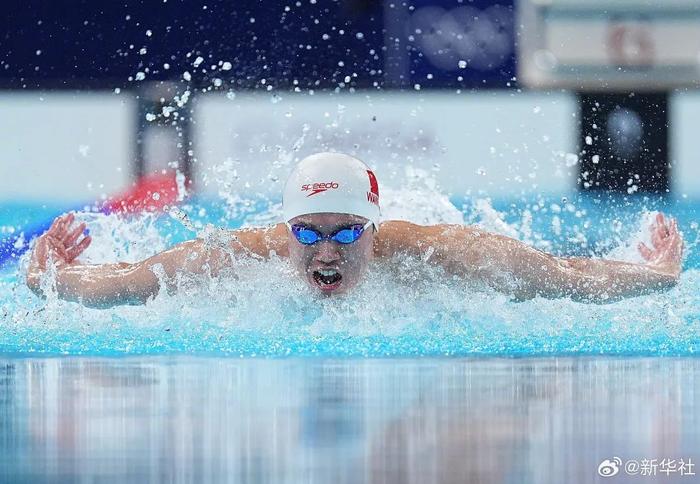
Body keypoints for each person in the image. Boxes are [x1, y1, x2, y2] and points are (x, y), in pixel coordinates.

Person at [25, 152, 683, 308]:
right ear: (287, 233)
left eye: (346, 233)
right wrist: (44, 272)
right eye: (308, 234)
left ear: (374, 228)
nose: (327, 251)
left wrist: (654, 276)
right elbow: (110, 285)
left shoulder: (438, 253)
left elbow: (564, 277)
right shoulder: (238, 256)